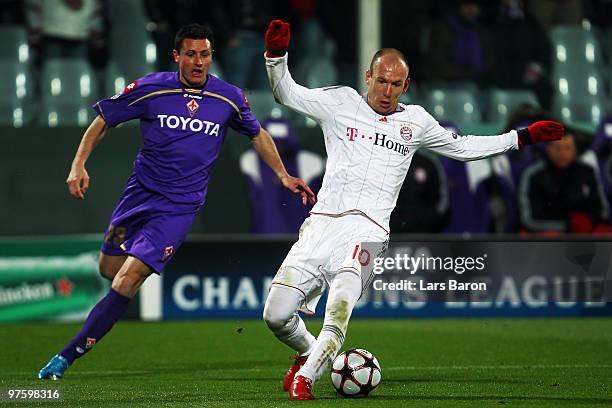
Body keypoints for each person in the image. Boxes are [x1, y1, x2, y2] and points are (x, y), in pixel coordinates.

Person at [261, 19, 564, 400]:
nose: (386, 91)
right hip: (321, 225)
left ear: (406, 85)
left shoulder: (416, 122)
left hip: (368, 233)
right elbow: (286, 92)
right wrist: (276, 56)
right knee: (275, 314)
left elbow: (464, 147)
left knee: (339, 308)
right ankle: (307, 352)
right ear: (367, 76)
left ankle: (306, 379)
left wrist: (519, 138)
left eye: (395, 84)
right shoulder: (339, 102)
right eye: (381, 81)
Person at [37, 23, 315, 380]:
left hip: (179, 209)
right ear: (177, 56)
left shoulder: (228, 96)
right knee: (108, 270)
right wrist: (78, 163)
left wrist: (281, 174)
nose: (198, 62)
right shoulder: (151, 87)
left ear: (212, 56)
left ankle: (65, 357)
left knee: (126, 280)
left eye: (205, 54)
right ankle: (113, 295)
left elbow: (257, 133)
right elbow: (103, 120)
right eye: (191, 54)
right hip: (138, 197)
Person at [519, 132, 610, 234]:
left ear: (575, 150)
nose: (562, 153)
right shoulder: (533, 174)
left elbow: (601, 210)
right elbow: (528, 220)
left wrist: (589, 221)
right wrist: (567, 224)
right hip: (547, 237)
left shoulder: (587, 172)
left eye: (567, 148)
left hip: (584, 235)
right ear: (548, 149)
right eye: (558, 148)